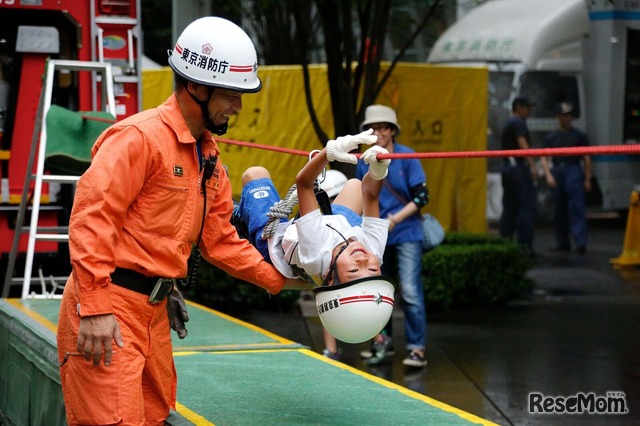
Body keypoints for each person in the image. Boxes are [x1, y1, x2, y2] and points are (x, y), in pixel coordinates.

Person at [56, 17, 306, 426]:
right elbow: (91, 221)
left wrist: (287, 280)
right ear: (196, 87)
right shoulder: (138, 138)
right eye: (231, 94)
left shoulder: (208, 157)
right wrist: (96, 309)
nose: (238, 107)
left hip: (152, 314)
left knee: (154, 418)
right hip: (110, 310)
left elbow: (221, 241)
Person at [235, 129, 391, 292]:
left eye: (354, 271)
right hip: (337, 233)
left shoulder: (317, 252)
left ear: (330, 279)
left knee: (255, 173)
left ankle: (240, 216)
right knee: (356, 186)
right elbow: (371, 196)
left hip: (279, 242)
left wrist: (328, 152)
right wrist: (377, 172)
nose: (363, 261)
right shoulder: (373, 252)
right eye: (373, 270)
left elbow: (304, 183)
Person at [355, 105, 429, 368]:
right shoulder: (365, 158)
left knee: (409, 291)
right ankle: (381, 343)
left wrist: (395, 219)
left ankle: (417, 348)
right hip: (377, 235)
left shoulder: (407, 156)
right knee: (378, 292)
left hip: (406, 231)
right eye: (374, 128)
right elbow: (361, 194)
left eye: (385, 127)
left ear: (393, 131)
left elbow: (422, 196)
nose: (380, 132)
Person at [540, 102, 592, 253]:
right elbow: (544, 157)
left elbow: (586, 157)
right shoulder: (552, 136)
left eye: (569, 115)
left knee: (576, 208)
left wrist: (587, 178)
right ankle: (562, 242)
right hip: (558, 169)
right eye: (564, 115)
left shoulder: (579, 136)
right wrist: (548, 175)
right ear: (558, 117)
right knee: (559, 210)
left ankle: (580, 243)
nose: (567, 118)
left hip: (573, 169)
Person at [499, 96, 537, 254]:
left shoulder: (509, 123)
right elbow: (522, 142)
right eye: (527, 107)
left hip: (507, 167)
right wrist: (532, 164)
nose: (529, 111)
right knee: (526, 206)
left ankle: (505, 243)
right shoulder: (518, 122)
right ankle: (524, 246)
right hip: (518, 168)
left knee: (509, 207)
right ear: (519, 107)